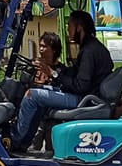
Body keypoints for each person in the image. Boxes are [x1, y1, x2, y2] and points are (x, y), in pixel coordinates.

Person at [9, 10, 113, 153]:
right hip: (86, 96)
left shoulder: (89, 51)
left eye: (69, 26)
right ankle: (22, 145)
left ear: (79, 28)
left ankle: (13, 140)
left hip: (83, 99)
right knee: (41, 95)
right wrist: (54, 73)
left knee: (31, 95)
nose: (68, 30)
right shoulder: (92, 47)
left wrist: (52, 73)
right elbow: (75, 75)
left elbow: (80, 85)